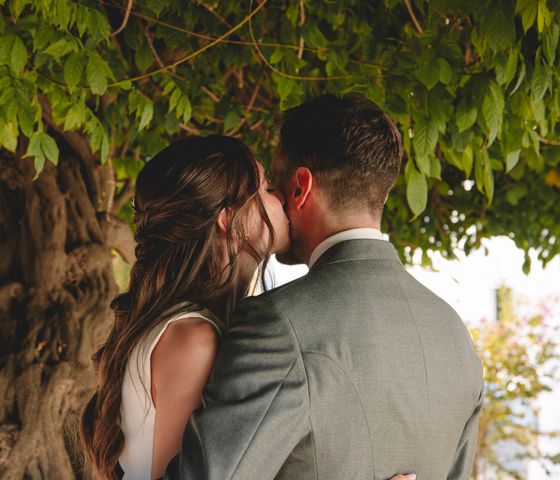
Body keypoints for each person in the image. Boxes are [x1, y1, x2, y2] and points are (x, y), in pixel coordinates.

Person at [163, 94, 484, 480]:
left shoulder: (278, 327)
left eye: (274, 187)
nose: (273, 203)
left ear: (300, 187)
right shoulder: (455, 337)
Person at [80, 135, 415, 480]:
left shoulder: (190, 329)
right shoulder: (193, 339)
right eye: (267, 189)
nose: (283, 197)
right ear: (230, 220)